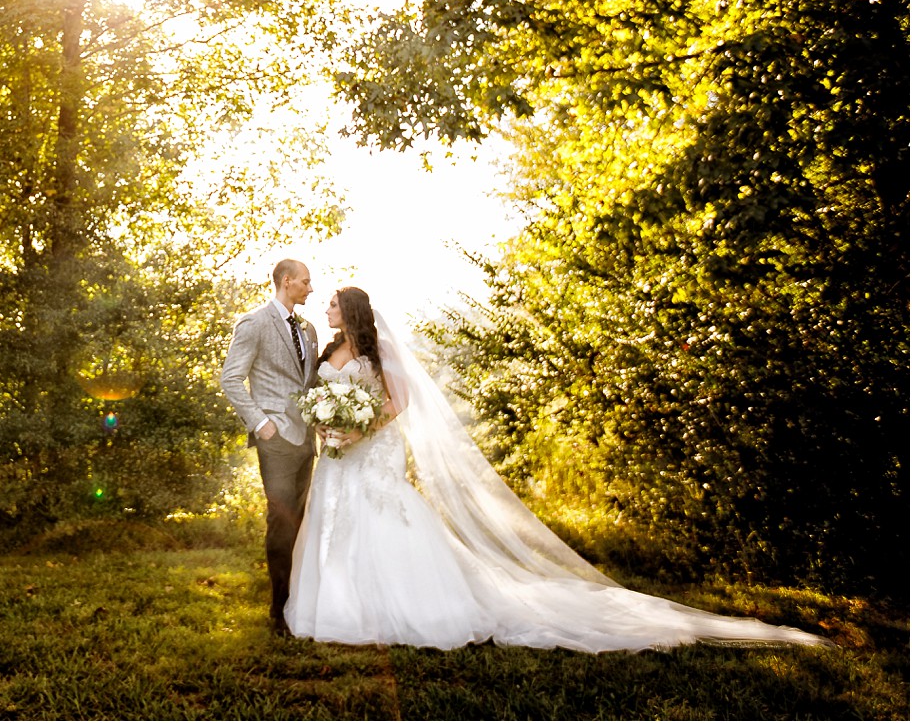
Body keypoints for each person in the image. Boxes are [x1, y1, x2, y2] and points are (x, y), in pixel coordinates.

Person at [284, 285, 829, 651]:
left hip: (369, 454)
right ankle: (332, 606)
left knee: (383, 523)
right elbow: (320, 399)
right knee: (333, 525)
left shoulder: (378, 357)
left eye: (333, 303)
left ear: (352, 311)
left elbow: (396, 403)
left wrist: (358, 428)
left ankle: (397, 608)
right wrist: (327, 427)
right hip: (336, 457)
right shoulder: (330, 348)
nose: (327, 307)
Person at [219, 258, 319, 635]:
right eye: (306, 282)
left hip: (306, 440)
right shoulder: (254, 322)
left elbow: (310, 383)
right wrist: (261, 423)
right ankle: (278, 612)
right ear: (287, 281)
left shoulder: (308, 329)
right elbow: (231, 379)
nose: (311, 288)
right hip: (275, 440)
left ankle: (298, 604)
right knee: (280, 522)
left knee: (300, 521)